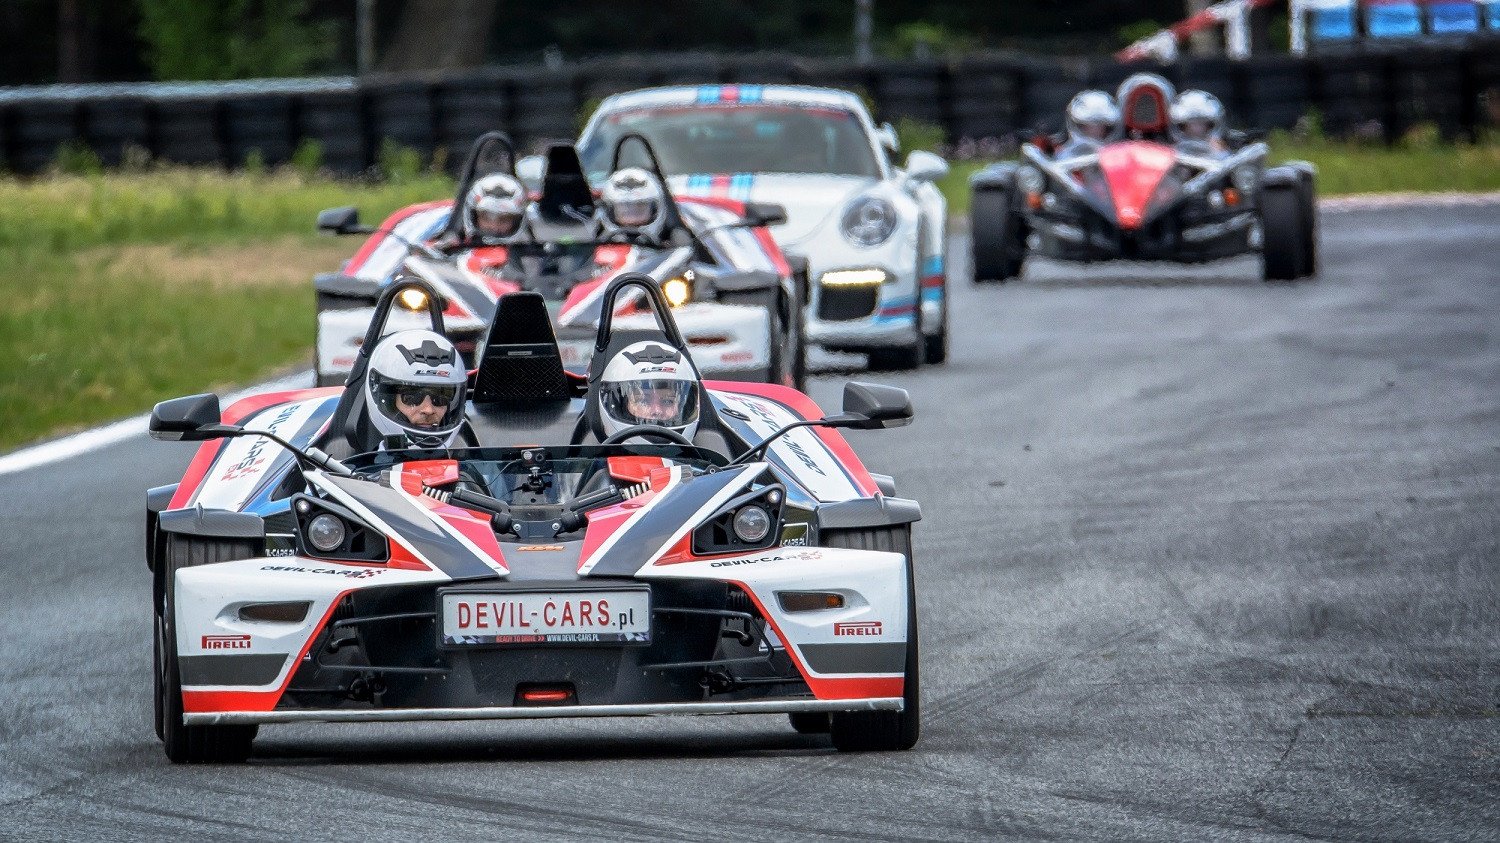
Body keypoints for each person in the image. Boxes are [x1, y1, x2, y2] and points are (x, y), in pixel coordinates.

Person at [363, 329, 469, 449]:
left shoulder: (471, 458)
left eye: (440, 398)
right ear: (388, 402)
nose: (428, 410)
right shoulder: (355, 463)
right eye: (412, 398)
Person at [597, 340, 701, 442]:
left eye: (667, 401)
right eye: (644, 401)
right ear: (619, 406)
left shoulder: (706, 449)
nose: (657, 411)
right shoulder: (591, 452)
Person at [598, 167, 669, 244]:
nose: (631, 220)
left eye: (640, 207)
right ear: (609, 211)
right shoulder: (596, 245)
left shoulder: (674, 246)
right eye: (624, 210)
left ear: (655, 210)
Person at [463, 172, 530, 246]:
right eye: (486, 218)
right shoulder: (457, 249)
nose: (494, 227)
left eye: (504, 219)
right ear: (473, 217)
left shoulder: (530, 251)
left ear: (517, 222)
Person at [1057, 90, 1120, 158]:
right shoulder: (1066, 156)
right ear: (1079, 125)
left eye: (1101, 123)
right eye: (1091, 123)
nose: (1096, 129)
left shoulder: (1120, 153)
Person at [1172, 89, 1229, 156]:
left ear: (1210, 125)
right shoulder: (1170, 153)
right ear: (1182, 126)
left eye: (1201, 123)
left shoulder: (1220, 151)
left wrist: (1218, 151)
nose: (1197, 128)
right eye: (1192, 124)